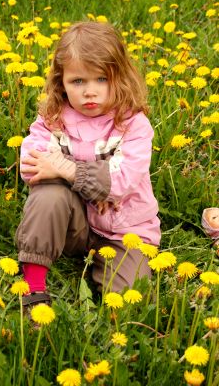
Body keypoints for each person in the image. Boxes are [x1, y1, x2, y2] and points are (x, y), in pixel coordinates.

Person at [16, 21, 161, 306]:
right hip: (75, 225)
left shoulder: (134, 125)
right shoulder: (54, 119)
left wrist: (65, 168)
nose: (90, 92)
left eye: (101, 79)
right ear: (62, 83)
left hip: (125, 232)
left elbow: (121, 181)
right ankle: (33, 289)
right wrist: (93, 184)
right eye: (78, 81)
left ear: (119, 77)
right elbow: (32, 164)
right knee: (48, 192)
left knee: (130, 300)